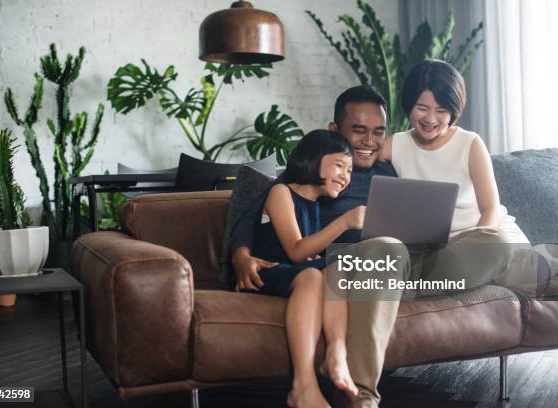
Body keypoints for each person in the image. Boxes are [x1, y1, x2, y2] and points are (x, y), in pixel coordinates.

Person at [231, 86, 407, 408]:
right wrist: (240, 254)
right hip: (334, 263)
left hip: (378, 260)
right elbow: (253, 214)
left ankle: (337, 356)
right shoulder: (302, 183)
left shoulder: (387, 172)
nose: (369, 141)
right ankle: (357, 394)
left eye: (378, 132)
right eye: (359, 130)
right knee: (344, 266)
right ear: (334, 131)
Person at [380, 59, 541, 291]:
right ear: (408, 104)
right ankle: (433, 283)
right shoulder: (396, 144)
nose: (430, 119)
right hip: (439, 252)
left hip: (484, 236)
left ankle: (424, 286)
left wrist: (474, 247)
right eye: (422, 108)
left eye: (441, 111)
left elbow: (491, 209)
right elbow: (351, 163)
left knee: (499, 246)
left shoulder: (469, 143)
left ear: (454, 110)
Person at [244, 129, 363, 407]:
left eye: (350, 170)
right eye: (339, 165)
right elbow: (296, 251)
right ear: (313, 159)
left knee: (338, 266)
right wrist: (345, 222)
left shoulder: (314, 205)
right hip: (267, 272)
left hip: (291, 273)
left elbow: (307, 252)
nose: (346, 176)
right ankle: (303, 386)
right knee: (311, 275)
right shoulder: (280, 192)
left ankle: (336, 353)